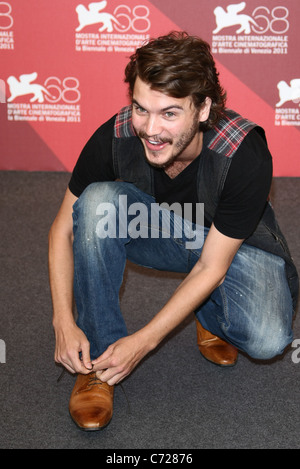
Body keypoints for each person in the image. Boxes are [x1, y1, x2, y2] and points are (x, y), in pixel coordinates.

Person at [48, 31, 298, 431]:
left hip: (232, 249)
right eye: (142, 109)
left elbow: (212, 265)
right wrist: (63, 319)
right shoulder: (115, 136)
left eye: (169, 113)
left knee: (268, 340)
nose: (151, 129)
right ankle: (98, 361)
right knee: (96, 203)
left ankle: (209, 315)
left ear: (202, 109)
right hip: (162, 234)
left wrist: (144, 342)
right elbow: (62, 229)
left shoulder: (244, 153)